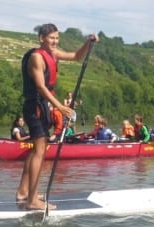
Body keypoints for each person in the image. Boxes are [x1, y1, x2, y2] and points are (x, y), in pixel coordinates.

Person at [16, 24, 98, 210]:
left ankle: (23, 192)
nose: (54, 42)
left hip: (42, 106)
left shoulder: (52, 54)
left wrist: (88, 42)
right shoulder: (37, 57)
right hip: (35, 106)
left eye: (56, 38)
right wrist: (60, 107)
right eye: (51, 38)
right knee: (39, 152)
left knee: (37, 150)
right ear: (41, 39)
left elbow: (76, 57)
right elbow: (41, 87)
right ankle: (32, 201)